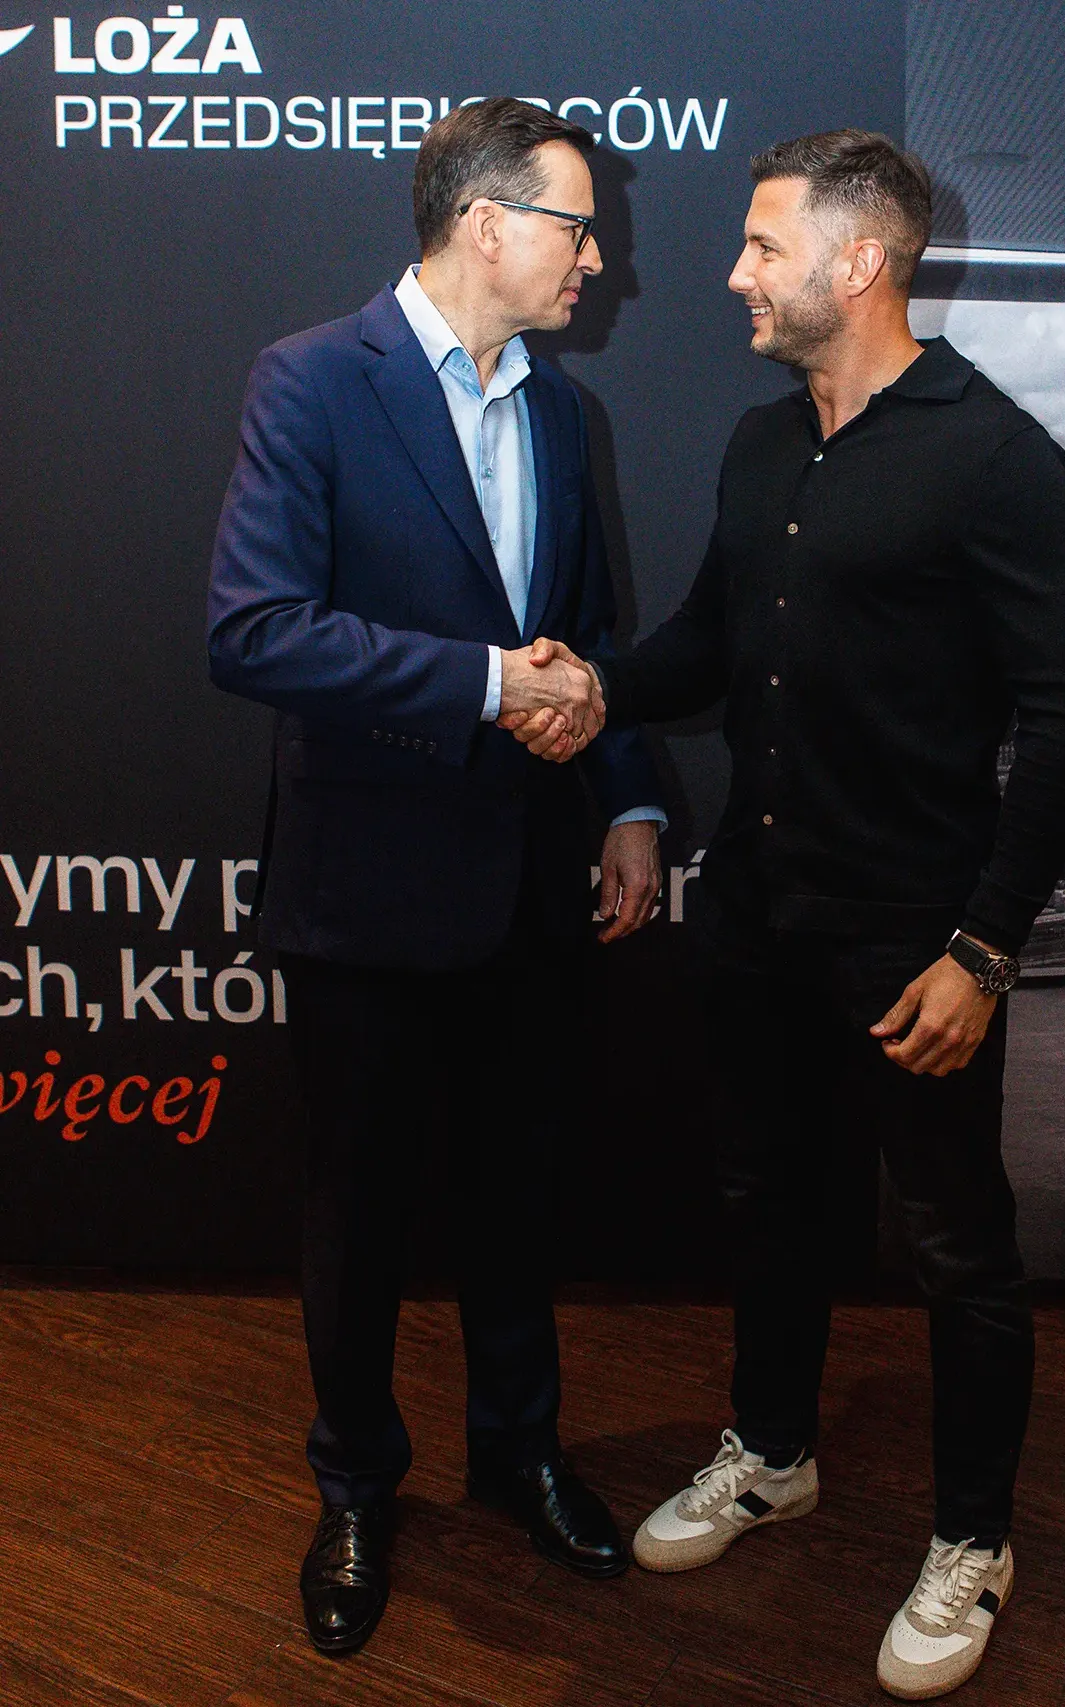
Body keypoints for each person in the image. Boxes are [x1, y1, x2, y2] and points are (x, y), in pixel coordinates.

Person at [507, 129, 1065, 1699]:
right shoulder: (766, 441)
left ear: (860, 262)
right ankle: (774, 1452)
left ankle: (973, 1540)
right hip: (760, 915)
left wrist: (985, 948)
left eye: (763, 247)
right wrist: (594, 686)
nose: (734, 274)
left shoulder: (998, 456)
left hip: (916, 940)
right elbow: (708, 643)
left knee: (956, 1245)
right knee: (767, 1197)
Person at [207, 97, 665, 1657]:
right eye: (577, 229)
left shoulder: (564, 415)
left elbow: (585, 639)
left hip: (530, 881)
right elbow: (253, 628)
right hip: (368, 890)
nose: (597, 262)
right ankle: (354, 1488)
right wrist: (482, 683)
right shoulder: (312, 380)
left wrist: (629, 801)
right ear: (486, 224)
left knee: (518, 1197)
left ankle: (520, 1454)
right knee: (358, 1215)